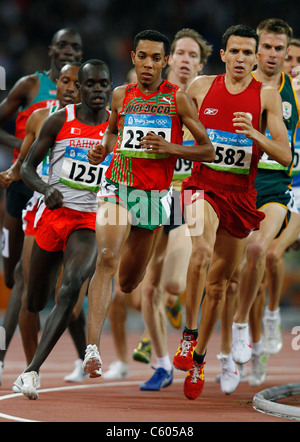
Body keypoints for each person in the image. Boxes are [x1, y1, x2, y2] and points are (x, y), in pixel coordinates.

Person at [82, 30, 215, 388]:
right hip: (119, 186)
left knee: (128, 283)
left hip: (157, 197)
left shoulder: (179, 100)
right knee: (107, 258)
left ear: (164, 61)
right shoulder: (121, 95)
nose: (149, 64)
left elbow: (207, 151)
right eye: (143, 57)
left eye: (157, 58)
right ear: (134, 58)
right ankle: (92, 348)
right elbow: (111, 133)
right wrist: (101, 150)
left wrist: (171, 148)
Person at [172, 24, 291, 401]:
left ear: (255, 58)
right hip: (202, 187)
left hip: (241, 196)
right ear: (222, 55)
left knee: (220, 286)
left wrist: (256, 136)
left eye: (247, 53)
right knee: (201, 253)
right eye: (234, 52)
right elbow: (177, 135)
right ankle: (188, 338)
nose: (241, 58)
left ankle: (202, 357)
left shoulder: (267, 97)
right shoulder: (201, 87)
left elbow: (285, 156)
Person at [13, 59, 113, 400]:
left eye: (103, 84)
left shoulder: (116, 126)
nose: (97, 90)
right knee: (35, 299)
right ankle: (31, 364)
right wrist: (45, 189)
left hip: (89, 221)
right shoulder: (60, 120)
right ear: (80, 89)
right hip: (53, 216)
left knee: (70, 289)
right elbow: (26, 168)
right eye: (91, 85)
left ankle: (31, 372)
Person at [0, 29, 83, 385]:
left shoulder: (88, 101)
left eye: (75, 48)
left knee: (42, 279)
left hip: (63, 196)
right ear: (51, 50)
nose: (68, 51)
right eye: (63, 45)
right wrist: (25, 150)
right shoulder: (31, 87)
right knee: (12, 275)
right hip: (23, 188)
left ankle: (16, 361)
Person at [232, 19, 300, 370]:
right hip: (236, 185)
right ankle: (249, 345)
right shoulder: (238, 83)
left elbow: (288, 152)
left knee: (264, 252)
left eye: (280, 49)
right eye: (267, 47)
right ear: (256, 49)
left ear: (287, 53)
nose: (273, 55)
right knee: (235, 277)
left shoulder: (294, 93)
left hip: (279, 188)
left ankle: (262, 320)